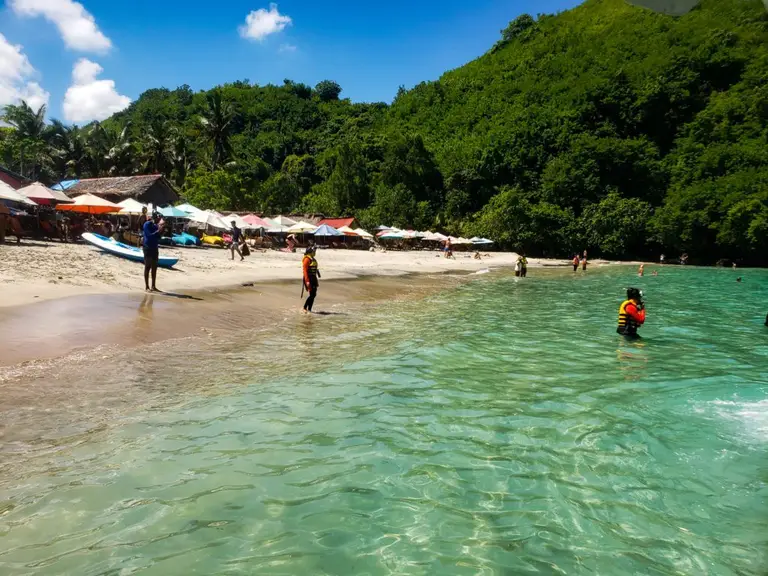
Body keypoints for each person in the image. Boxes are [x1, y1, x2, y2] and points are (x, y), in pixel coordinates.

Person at [142, 212, 165, 292]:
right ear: (154, 218)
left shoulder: (155, 226)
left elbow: (158, 237)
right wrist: (158, 230)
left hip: (155, 247)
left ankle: (153, 286)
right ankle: (147, 287)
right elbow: (149, 235)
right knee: (147, 266)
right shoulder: (147, 224)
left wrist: (162, 229)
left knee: (154, 267)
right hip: (147, 247)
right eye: (158, 218)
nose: (159, 220)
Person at [302, 246, 320, 313]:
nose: (315, 252)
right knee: (312, 294)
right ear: (310, 252)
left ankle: (309, 309)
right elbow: (305, 271)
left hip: (314, 279)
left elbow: (314, 270)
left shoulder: (313, 259)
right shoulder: (307, 259)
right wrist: (307, 281)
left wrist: (316, 281)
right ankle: (304, 307)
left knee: (314, 294)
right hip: (309, 278)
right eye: (314, 251)